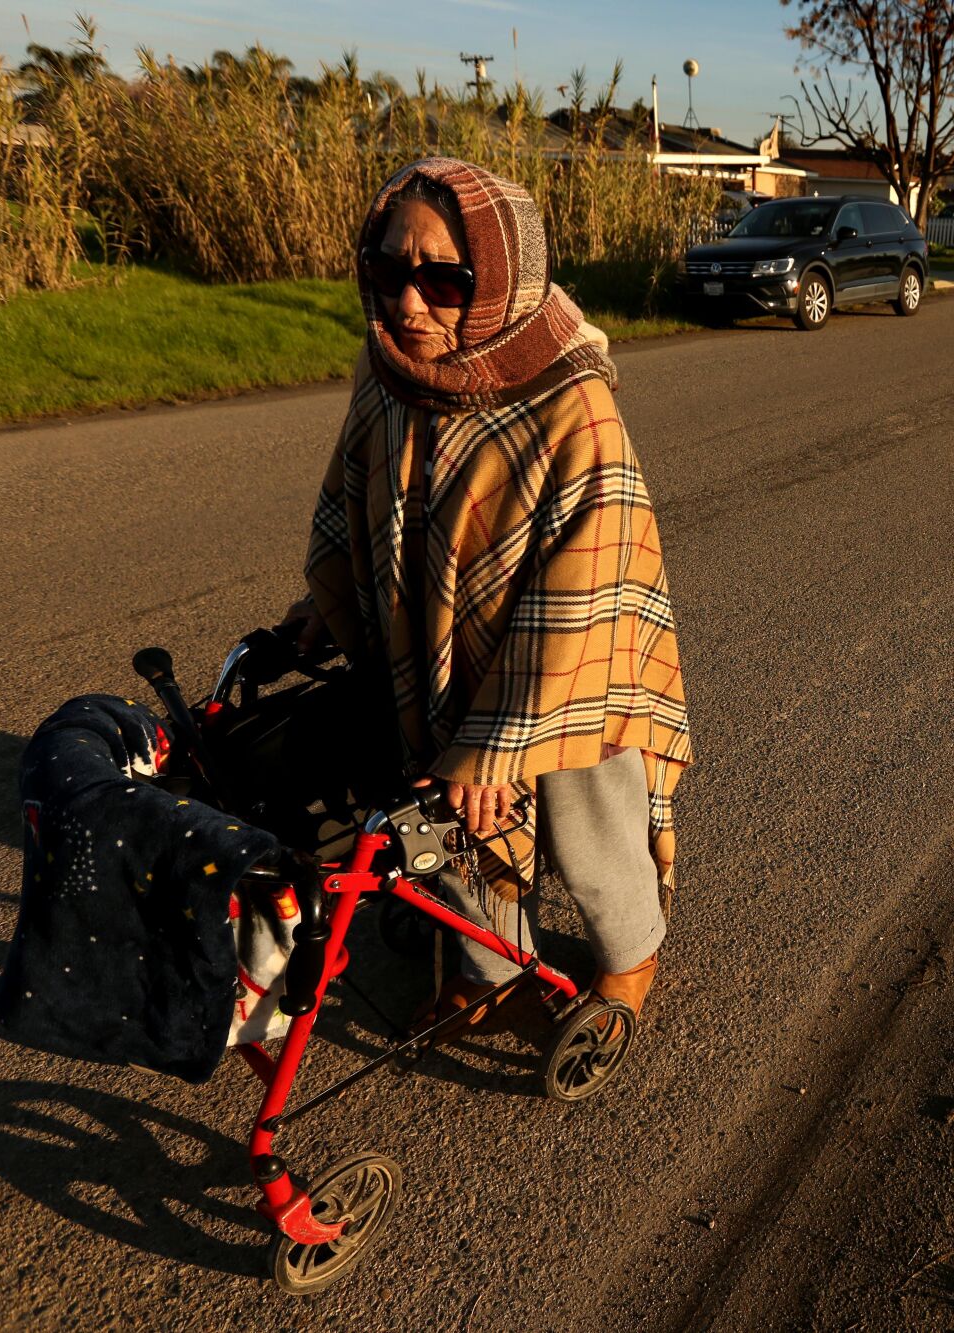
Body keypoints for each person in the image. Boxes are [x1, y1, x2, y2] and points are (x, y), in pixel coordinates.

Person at [282, 157, 692, 1034]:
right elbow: (353, 487)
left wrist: (506, 743)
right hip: (438, 644)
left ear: (503, 278)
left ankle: (630, 951)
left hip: (569, 665)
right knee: (441, 799)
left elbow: (585, 593)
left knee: (587, 820)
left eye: (443, 279)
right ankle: (490, 960)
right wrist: (330, 595)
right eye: (389, 270)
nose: (408, 301)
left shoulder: (571, 404)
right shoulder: (389, 365)